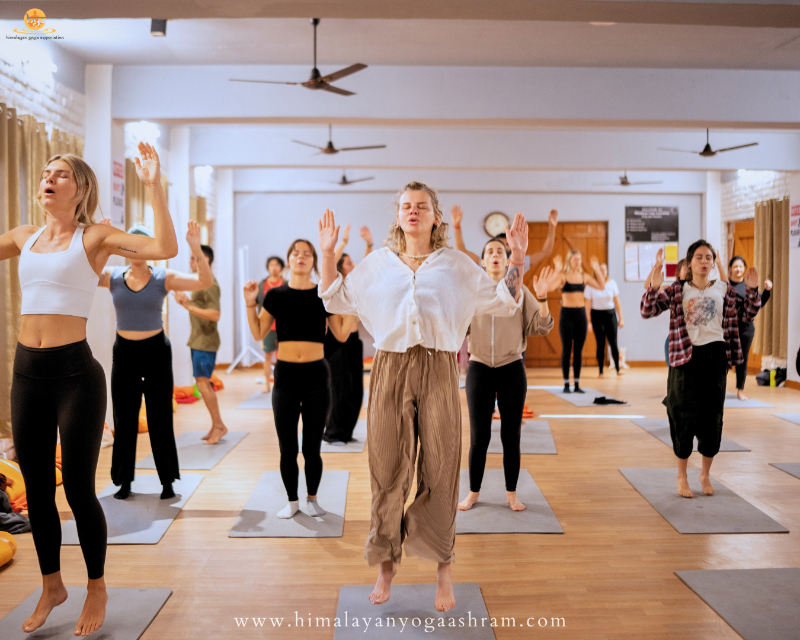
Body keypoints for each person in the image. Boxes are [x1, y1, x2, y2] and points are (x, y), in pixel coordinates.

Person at [318, 181, 528, 612]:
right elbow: (333, 298)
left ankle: (443, 567)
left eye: (422, 206)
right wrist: (325, 255)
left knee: (441, 464)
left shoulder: (456, 265)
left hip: (438, 368)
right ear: (397, 215)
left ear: (436, 216)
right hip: (390, 367)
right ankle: (386, 562)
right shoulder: (377, 265)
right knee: (387, 466)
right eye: (406, 206)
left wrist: (518, 260)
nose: (413, 211)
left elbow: (503, 300)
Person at [0, 143, 178, 635]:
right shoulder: (23, 236)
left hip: (75, 375)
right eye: (43, 173)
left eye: (59, 174)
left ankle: (96, 587)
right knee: (37, 492)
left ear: (80, 188)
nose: (47, 179)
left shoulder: (95, 236)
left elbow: (165, 249)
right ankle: (52, 585)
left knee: (78, 489)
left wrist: (155, 188)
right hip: (26, 373)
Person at [98, 220, 213, 501]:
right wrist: (101, 241)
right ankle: (123, 481)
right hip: (124, 352)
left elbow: (204, 281)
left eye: (143, 245)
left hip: (156, 352)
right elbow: (83, 273)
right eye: (131, 245)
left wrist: (195, 248)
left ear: (151, 249)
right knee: (124, 419)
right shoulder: (112, 276)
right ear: (125, 249)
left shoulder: (163, 277)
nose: (137, 250)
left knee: (160, 417)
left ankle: (167, 481)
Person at [641, 241, 761, 498]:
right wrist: (652, 286)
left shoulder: (724, 289)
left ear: (713, 262)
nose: (704, 261)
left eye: (709, 257)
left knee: (712, 417)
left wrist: (751, 291)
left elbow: (747, 313)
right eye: (699, 257)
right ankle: (681, 475)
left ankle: (705, 474)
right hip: (685, 357)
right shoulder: (676, 290)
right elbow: (647, 310)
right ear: (689, 263)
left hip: (715, 357)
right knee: (681, 414)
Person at [244, 240, 353, 519]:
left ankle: (313, 499)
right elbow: (258, 333)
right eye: (296, 253)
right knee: (288, 447)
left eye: (306, 254)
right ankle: (292, 501)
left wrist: (354, 308)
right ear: (288, 261)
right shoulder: (275, 295)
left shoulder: (324, 296)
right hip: (286, 377)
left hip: (316, 375)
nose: (300, 257)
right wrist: (248, 303)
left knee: (311, 448)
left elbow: (341, 334)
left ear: (313, 261)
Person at [458, 238, 555, 513]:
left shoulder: (520, 291)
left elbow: (541, 326)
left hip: (512, 369)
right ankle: (473, 492)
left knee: (510, 436)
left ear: (507, 258)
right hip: (479, 370)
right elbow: (457, 329)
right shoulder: (473, 293)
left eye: (500, 251)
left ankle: (511, 494)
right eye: (490, 252)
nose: (495, 255)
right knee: (479, 437)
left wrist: (544, 297)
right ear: (483, 261)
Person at [324, 226, 374, 445]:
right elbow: (331, 259)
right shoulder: (336, 287)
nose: (353, 265)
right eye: (348, 263)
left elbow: (365, 268)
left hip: (354, 343)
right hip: (337, 344)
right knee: (340, 390)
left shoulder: (353, 285)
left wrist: (369, 245)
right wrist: (341, 241)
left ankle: (346, 431)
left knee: (355, 392)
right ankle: (334, 431)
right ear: (339, 267)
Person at [173, 244, 228, 445]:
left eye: (193, 258)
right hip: (199, 340)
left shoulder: (210, 285)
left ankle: (220, 425)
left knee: (204, 383)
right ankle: (215, 425)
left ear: (203, 260)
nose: (190, 262)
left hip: (205, 342)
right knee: (202, 383)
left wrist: (188, 305)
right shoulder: (201, 283)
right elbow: (201, 309)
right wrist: (186, 303)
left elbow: (215, 314)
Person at [548, 250, 605, 393]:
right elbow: (549, 287)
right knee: (567, 350)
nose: (577, 262)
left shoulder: (584, 276)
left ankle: (577, 384)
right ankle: (567, 384)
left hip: (581, 316)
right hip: (567, 315)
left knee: (578, 351)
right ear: (569, 261)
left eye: (579, 259)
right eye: (575, 259)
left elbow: (601, 286)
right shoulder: (563, 276)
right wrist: (556, 270)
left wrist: (597, 269)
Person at [451, 205, 558, 270]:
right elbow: (462, 251)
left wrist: (552, 227)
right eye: (499, 245)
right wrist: (456, 225)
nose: (502, 247)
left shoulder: (518, 262)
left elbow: (545, 252)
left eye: (506, 244)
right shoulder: (486, 262)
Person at [727, 255, 772, 400]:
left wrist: (767, 291)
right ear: (730, 269)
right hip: (727, 329)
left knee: (742, 360)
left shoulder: (748, 285)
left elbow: (758, 305)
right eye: (735, 266)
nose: (738, 269)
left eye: (740, 266)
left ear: (744, 269)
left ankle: (740, 390)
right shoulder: (725, 284)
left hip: (746, 329)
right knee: (723, 359)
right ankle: (718, 389)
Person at [585, 263, 624, 378]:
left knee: (613, 343)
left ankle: (618, 368)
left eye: (604, 269)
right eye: (600, 270)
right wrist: (589, 322)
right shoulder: (590, 285)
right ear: (596, 271)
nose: (603, 272)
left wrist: (621, 318)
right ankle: (601, 370)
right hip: (597, 316)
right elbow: (587, 305)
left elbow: (617, 302)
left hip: (610, 315)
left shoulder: (612, 283)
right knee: (600, 343)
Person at [255, 256, 286, 393]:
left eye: (277, 265)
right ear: (268, 267)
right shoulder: (262, 284)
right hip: (267, 327)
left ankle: (282, 384)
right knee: (267, 356)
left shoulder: (286, 283)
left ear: (281, 267)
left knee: (283, 357)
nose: (274, 267)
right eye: (271, 265)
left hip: (284, 326)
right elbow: (256, 303)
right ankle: (267, 385)